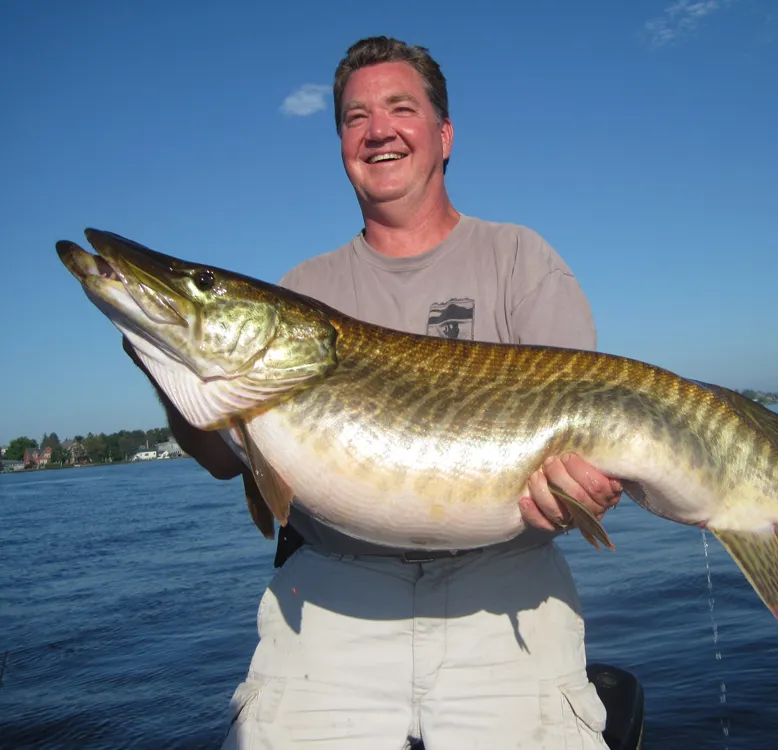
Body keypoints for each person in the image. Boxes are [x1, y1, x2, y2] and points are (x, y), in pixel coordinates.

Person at [128, 36, 623, 749]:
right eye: (355, 118)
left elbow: (585, 442)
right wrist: (167, 360)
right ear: (341, 144)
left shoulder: (523, 262)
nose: (378, 130)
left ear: (444, 134)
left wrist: (585, 489)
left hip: (506, 599)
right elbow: (221, 457)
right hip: (331, 601)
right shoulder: (303, 293)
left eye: (400, 108)